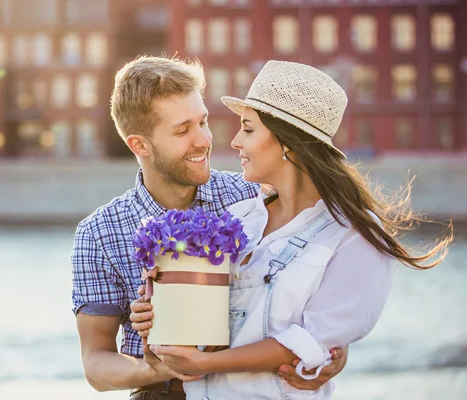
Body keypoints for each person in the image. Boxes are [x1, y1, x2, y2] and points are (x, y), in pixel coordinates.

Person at [129, 60, 453, 399]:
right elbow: (200, 331)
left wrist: (208, 364)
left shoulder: (354, 234)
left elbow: (313, 341)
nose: (236, 141)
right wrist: (158, 315)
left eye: (249, 129)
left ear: (287, 142)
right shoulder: (238, 219)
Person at [71, 56, 349, 400]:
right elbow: (96, 362)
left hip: (252, 389)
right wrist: (156, 368)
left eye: (203, 122)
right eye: (182, 130)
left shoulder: (251, 196)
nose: (204, 140)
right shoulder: (98, 233)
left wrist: (329, 351)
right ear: (139, 145)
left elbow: (307, 297)